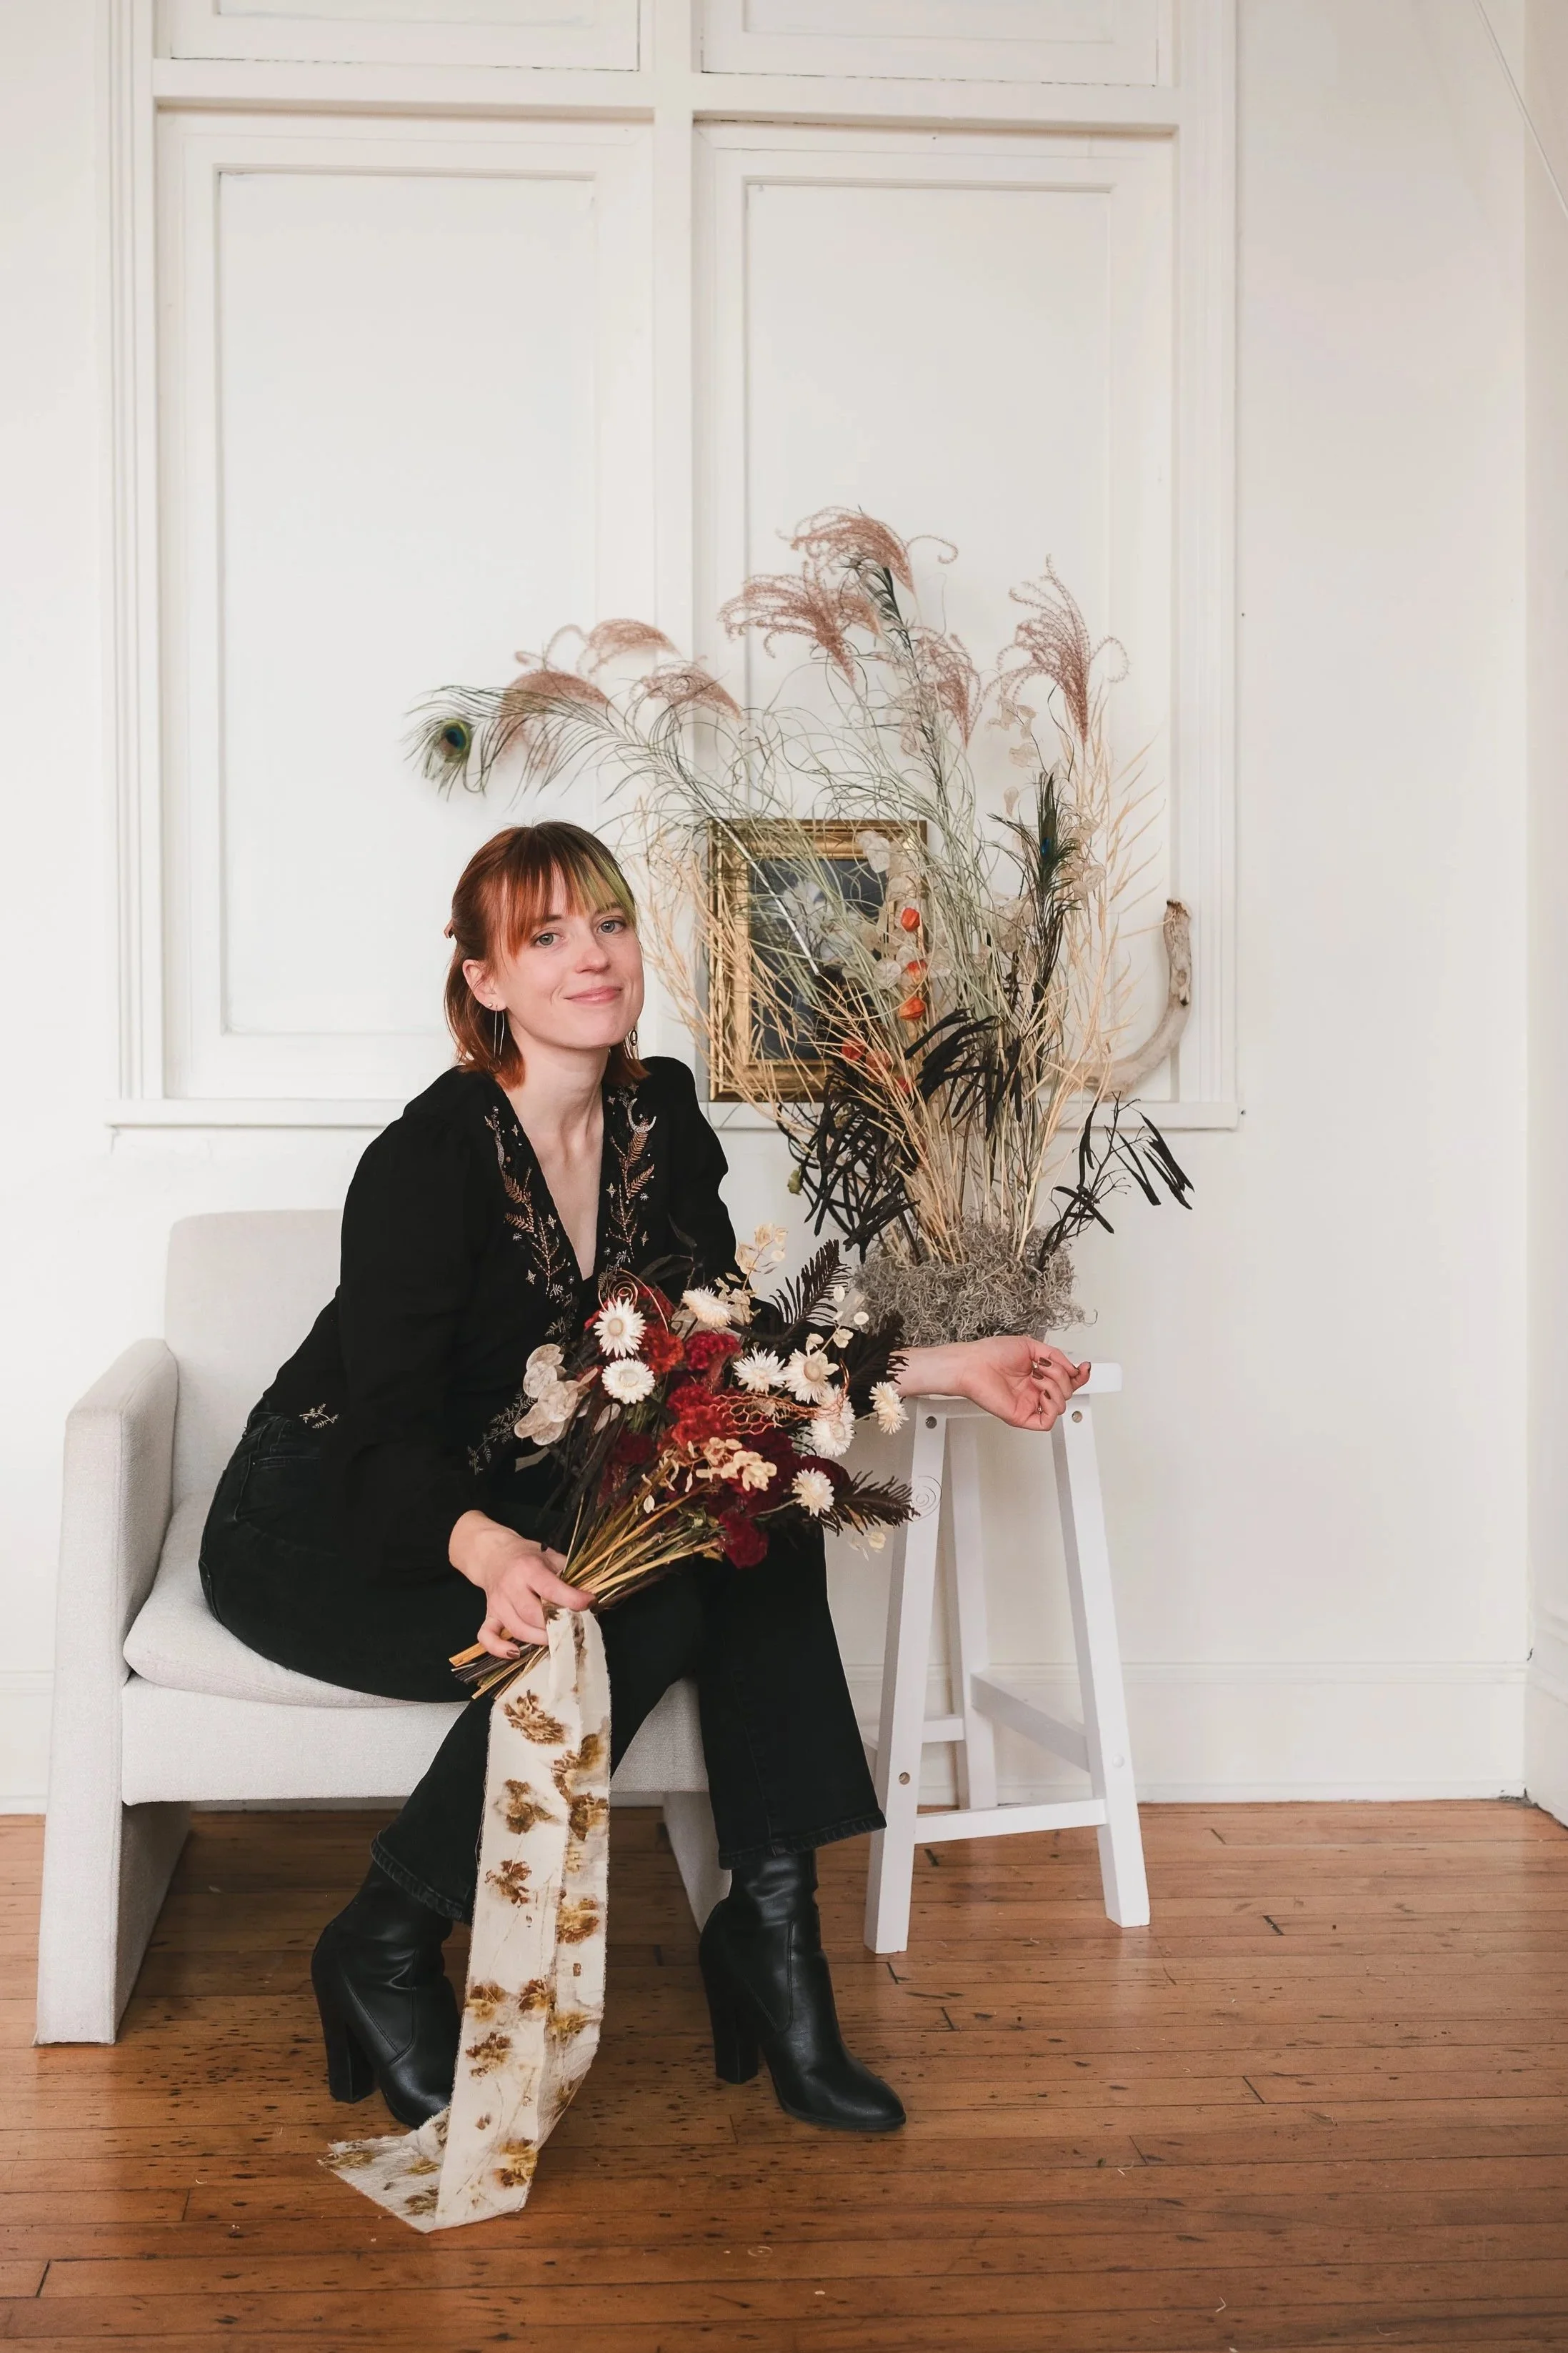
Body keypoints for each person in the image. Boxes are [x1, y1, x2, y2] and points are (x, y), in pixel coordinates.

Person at [199, 820, 1091, 2138]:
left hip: (518, 1500)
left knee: (761, 1490)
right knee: (656, 1595)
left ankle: (773, 1934)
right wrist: (491, 1556)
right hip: (334, 1519)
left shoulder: (659, 1114)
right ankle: (384, 1942)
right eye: (546, 935)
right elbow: (375, 1440)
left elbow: (723, 1342)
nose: (591, 957)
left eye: (608, 923)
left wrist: (946, 1362)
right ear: (485, 981)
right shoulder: (422, 1164)